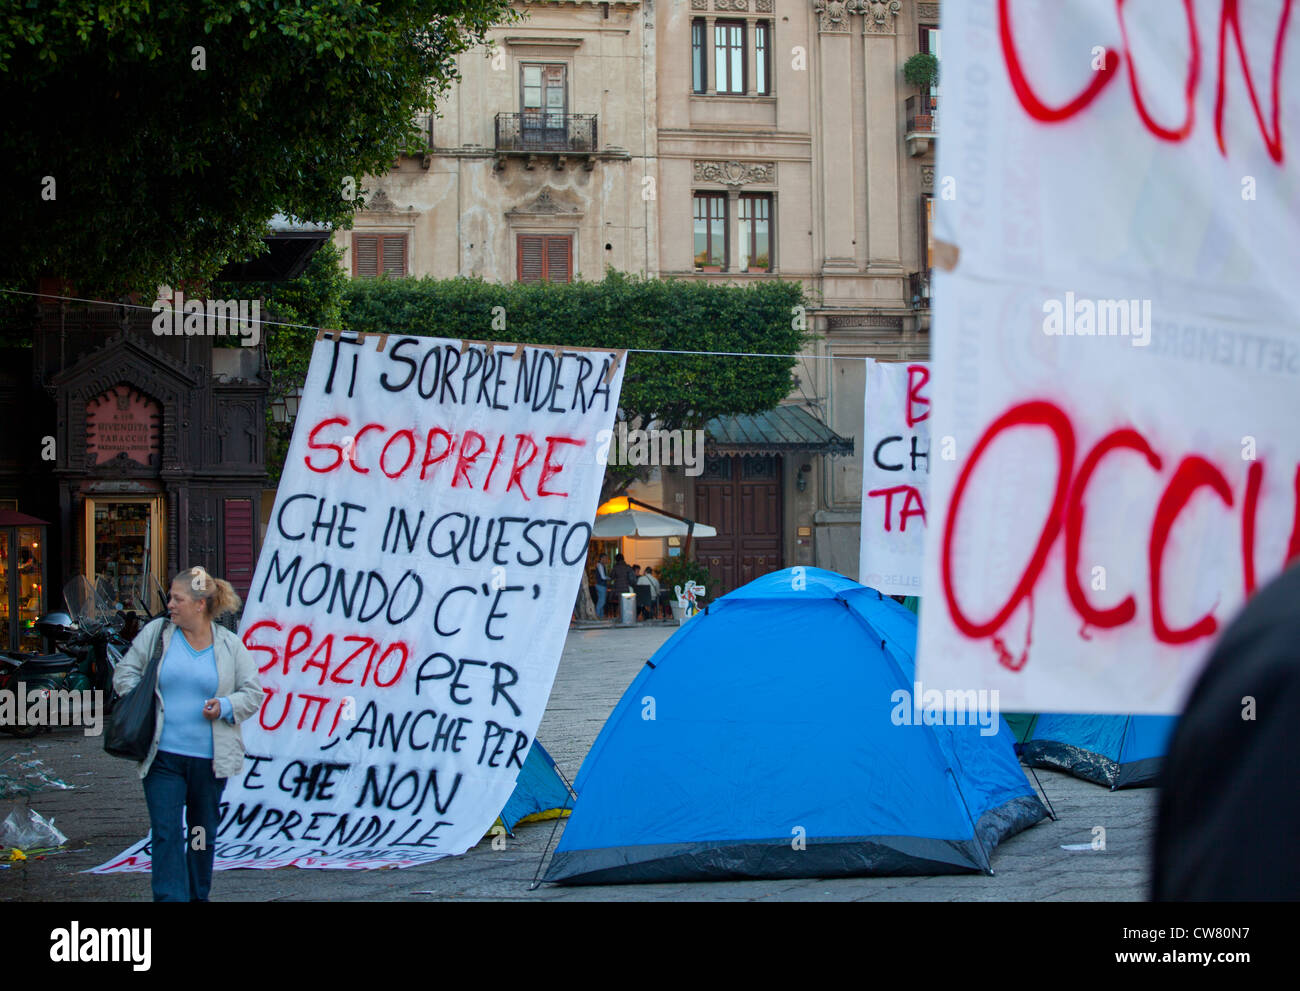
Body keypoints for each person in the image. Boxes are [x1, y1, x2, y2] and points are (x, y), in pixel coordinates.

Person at [113, 566, 264, 902]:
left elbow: (253, 693)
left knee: (199, 834)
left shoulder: (228, 645)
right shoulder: (157, 635)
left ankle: (197, 895)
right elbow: (125, 674)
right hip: (162, 758)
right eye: (170, 598)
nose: (170, 604)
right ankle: (171, 898)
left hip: (208, 763)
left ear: (199, 604)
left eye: (177, 598)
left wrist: (225, 706)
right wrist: (143, 698)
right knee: (166, 832)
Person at [593, 553, 610, 618]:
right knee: (602, 601)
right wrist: (609, 578)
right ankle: (597, 615)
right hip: (601, 585)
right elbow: (603, 577)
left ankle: (600, 616)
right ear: (602, 558)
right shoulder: (600, 565)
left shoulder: (600, 565)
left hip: (600, 585)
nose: (607, 560)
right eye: (606, 558)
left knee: (601, 600)